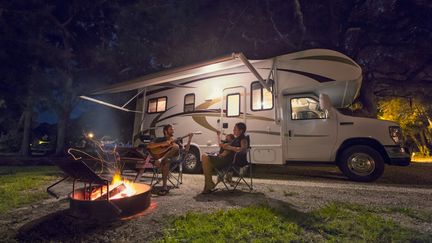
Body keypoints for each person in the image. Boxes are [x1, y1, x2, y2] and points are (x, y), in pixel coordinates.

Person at [201, 122, 248, 194]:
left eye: (235, 129)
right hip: (222, 157)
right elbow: (223, 145)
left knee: (205, 157)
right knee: (206, 160)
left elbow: (243, 149)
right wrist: (224, 145)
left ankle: (209, 186)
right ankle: (208, 186)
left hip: (227, 161)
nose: (233, 130)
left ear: (241, 131)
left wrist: (229, 147)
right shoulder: (236, 139)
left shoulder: (243, 139)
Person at [147, 124, 193, 195]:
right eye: (171, 129)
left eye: (173, 129)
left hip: (173, 159)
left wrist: (189, 139)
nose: (173, 131)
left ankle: (161, 160)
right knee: (167, 161)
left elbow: (185, 151)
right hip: (166, 160)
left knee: (176, 147)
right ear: (165, 131)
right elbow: (149, 146)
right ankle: (164, 187)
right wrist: (162, 144)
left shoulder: (176, 140)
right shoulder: (159, 139)